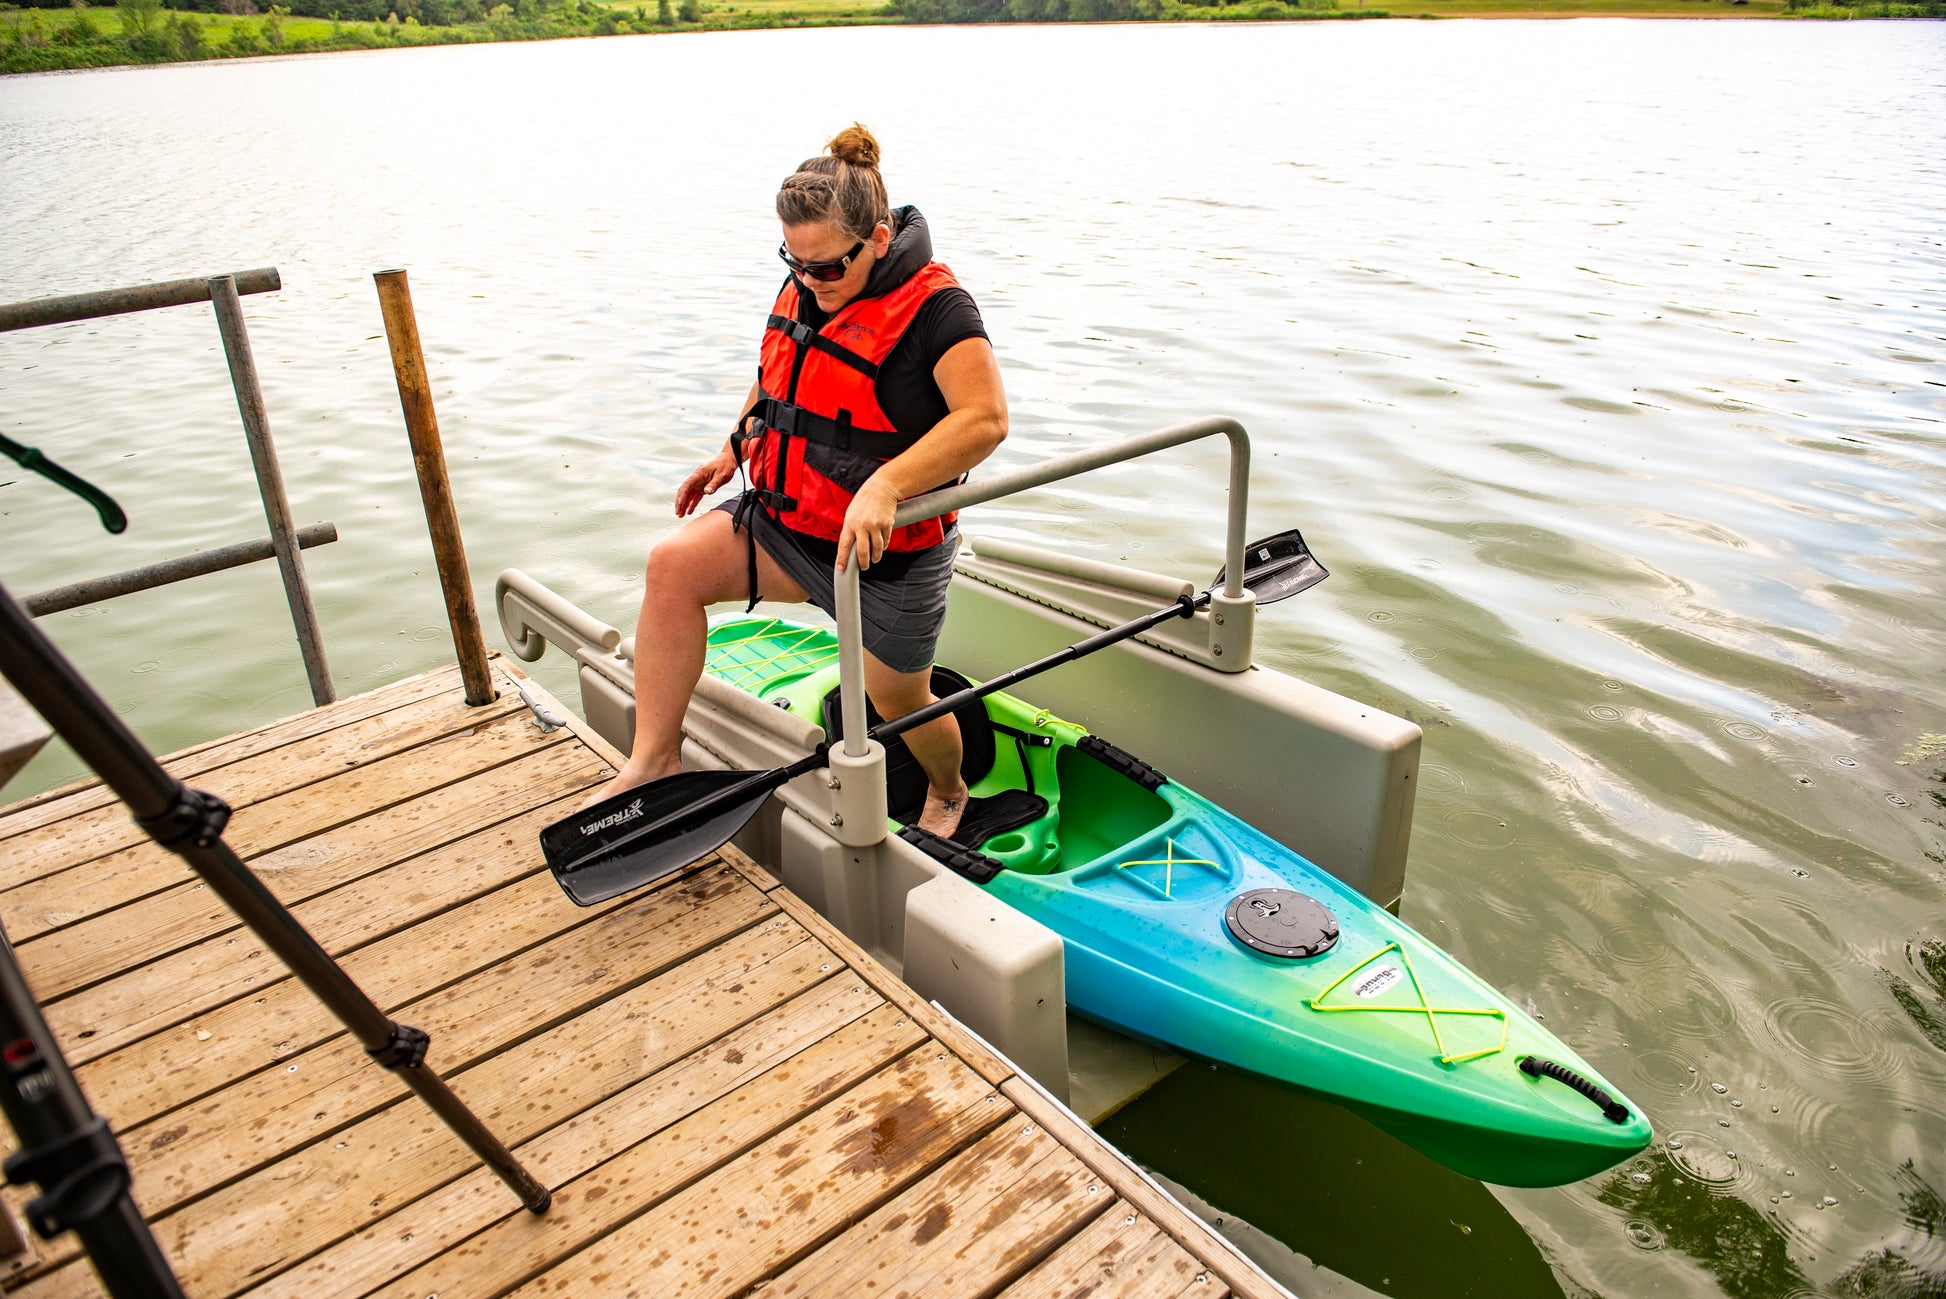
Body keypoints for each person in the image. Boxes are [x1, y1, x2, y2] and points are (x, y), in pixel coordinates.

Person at [580, 124, 1008, 842]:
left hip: (885, 551)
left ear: (876, 238)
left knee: (896, 697)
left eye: (825, 267)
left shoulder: (941, 309)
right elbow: (786, 373)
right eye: (793, 261)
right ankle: (655, 759)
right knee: (671, 565)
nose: (808, 280)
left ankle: (949, 787)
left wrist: (887, 486)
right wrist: (732, 445)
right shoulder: (815, 278)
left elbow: (986, 419)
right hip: (791, 518)